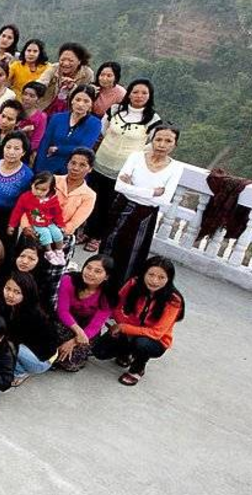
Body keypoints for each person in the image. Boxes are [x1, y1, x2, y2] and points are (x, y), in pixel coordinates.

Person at [83, 79, 161, 252]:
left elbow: (151, 144)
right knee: (93, 199)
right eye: (135, 92)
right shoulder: (115, 110)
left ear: (150, 96)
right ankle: (87, 231)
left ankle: (98, 237)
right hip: (101, 162)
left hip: (124, 170)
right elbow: (103, 130)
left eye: (144, 93)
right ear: (129, 94)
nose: (139, 96)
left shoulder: (152, 119)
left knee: (111, 205)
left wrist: (134, 157)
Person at [100, 125, 184, 284]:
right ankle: (98, 284)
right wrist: (152, 192)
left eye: (168, 141)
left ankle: (122, 290)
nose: (162, 144)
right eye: (158, 139)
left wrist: (132, 187)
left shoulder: (176, 167)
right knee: (108, 246)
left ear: (175, 144)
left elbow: (164, 199)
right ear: (152, 140)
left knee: (133, 254)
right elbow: (119, 186)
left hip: (145, 214)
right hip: (122, 207)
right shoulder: (136, 157)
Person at [93, 255, 184, 386]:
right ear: (143, 273)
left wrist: (123, 327)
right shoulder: (133, 284)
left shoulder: (173, 300)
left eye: (161, 277)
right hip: (129, 329)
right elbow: (117, 306)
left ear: (169, 279)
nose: (154, 281)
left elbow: (157, 333)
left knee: (142, 343)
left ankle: (137, 368)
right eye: (151, 275)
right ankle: (126, 353)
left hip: (154, 340)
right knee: (99, 352)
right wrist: (121, 324)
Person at [0, 272, 60, 387]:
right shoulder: (8, 305)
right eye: (8, 289)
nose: (10, 295)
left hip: (40, 360)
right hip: (27, 349)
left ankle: (20, 372)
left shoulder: (31, 315)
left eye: (17, 292)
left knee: (3, 345)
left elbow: (11, 339)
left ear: (26, 294)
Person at [52, 254, 114, 372]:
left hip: (87, 328)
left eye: (97, 271)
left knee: (72, 363)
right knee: (50, 344)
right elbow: (62, 311)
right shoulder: (68, 280)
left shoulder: (108, 296)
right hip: (65, 321)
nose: (90, 273)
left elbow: (95, 325)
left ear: (106, 276)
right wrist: (79, 332)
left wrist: (73, 342)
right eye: (88, 268)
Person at [35, 85, 101, 175]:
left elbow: (84, 148)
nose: (81, 104)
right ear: (72, 100)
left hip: (72, 170)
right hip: (48, 165)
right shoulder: (57, 118)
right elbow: (45, 143)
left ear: (91, 104)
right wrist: (39, 168)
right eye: (78, 100)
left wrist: (58, 149)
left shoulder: (95, 123)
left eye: (86, 101)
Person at [35, 42, 94, 114]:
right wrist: (37, 88)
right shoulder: (54, 68)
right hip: (47, 107)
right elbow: (41, 82)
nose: (66, 63)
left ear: (79, 61)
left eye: (70, 61)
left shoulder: (87, 73)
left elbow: (88, 94)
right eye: (62, 60)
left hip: (72, 110)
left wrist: (72, 87)